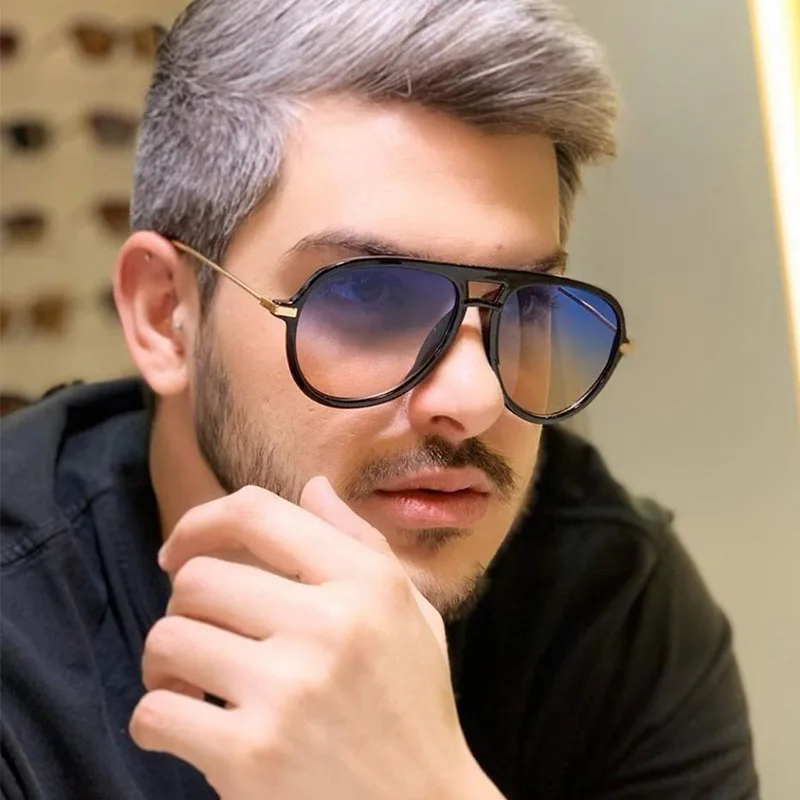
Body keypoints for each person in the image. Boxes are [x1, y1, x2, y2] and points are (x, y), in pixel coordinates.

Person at [0, 1, 759, 798]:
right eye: (368, 297)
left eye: (525, 304)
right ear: (166, 314)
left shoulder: (613, 607)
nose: (475, 396)